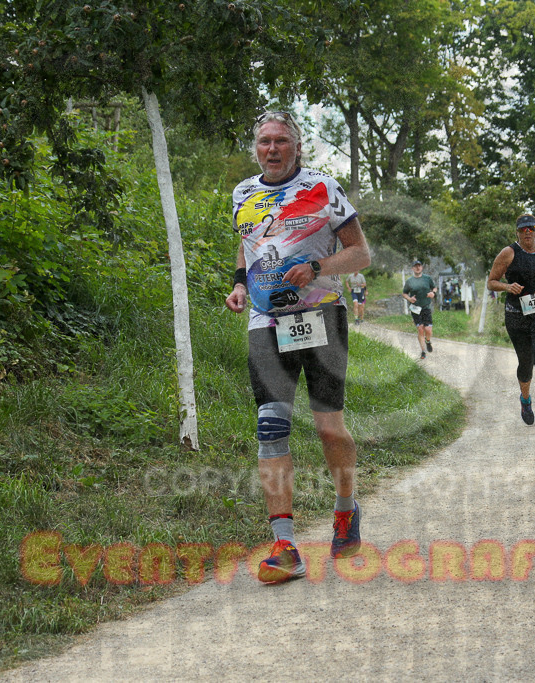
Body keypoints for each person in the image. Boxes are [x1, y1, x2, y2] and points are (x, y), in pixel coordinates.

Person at [225, 110, 370, 584]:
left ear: (297, 146)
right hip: (266, 321)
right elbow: (249, 246)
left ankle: (346, 511)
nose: (272, 148)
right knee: (271, 427)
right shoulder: (242, 194)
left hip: (321, 314)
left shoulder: (324, 189)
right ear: (256, 147)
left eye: (281, 141)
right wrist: (239, 285)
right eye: (264, 141)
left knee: (329, 428)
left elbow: (361, 254)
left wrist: (318, 266)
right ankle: (285, 545)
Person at [487, 214, 535, 430]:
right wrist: (507, 287)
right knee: (526, 361)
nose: (527, 232)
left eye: (531, 228)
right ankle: (526, 398)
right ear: (517, 233)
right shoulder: (509, 253)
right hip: (517, 314)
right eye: (523, 230)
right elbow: (491, 282)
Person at [402, 260, 436, 359]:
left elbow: (434, 288)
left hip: (426, 307)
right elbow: (404, 293)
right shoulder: (409, 281)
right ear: (412, 268)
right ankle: (423, 351)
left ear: (422, 267)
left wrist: (433, 293)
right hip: (415, 308)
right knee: (420, 329)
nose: (417, 268)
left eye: (419, 266)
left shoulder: (427, 279)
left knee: (428, 330)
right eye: (415, 266)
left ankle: (428, 341)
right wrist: (409, 299)